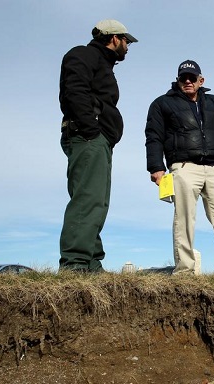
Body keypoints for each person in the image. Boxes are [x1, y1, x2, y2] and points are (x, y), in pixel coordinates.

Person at [145, 60, 214, 274]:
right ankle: (185, 270)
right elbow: (153, 136)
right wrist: (156, 167)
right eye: (183, 77)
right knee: (184, 219)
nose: (187, 81)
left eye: (192, 78)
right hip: (183, 167)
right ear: (177, 80)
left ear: (201, 80)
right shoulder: (162, 104)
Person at [58, 19, 138, 273]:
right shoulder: (82, 55)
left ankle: (91, 261)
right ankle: (75, 263)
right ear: (114, 38)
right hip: (88, 137)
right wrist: (92, 129)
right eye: (126, 41)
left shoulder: (102, 64)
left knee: (98, 201)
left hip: (98, 139)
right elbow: (73, 92)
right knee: (87, 198)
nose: (128, 46)